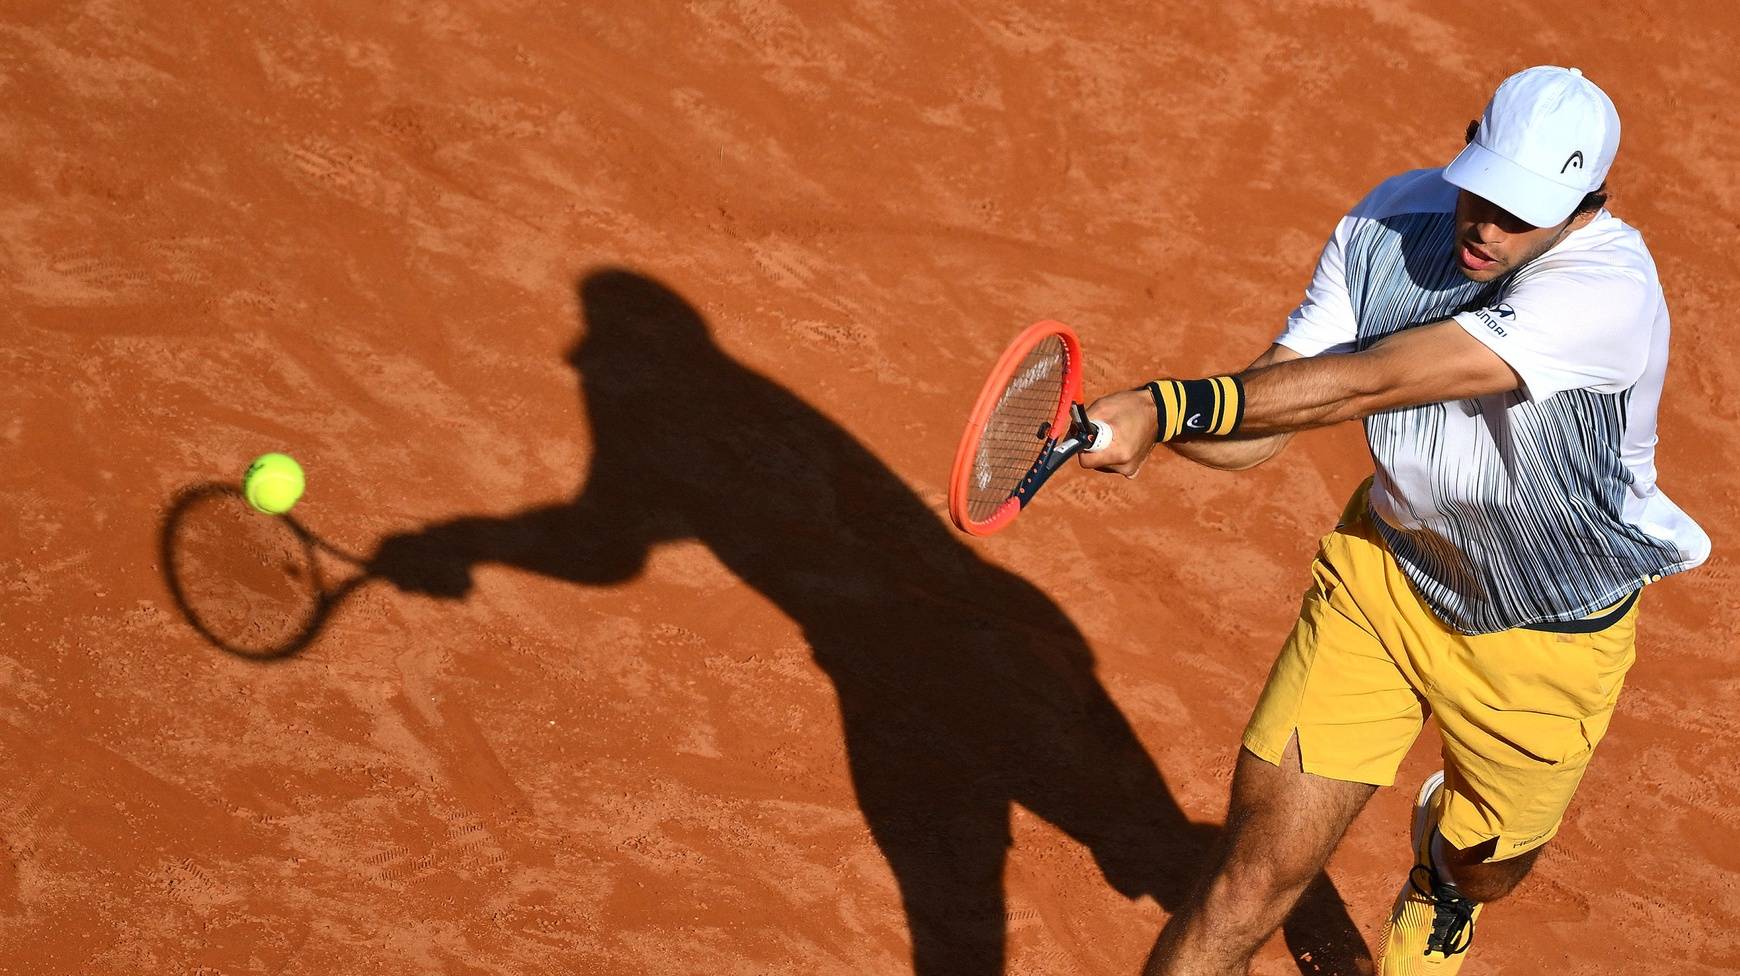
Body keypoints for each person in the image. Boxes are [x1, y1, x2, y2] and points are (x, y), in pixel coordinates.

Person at [1080, 65, 1711, 975]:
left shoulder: (1606, 292)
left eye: (1522, 212)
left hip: (1545, 642)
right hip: (1386, 578)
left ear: (1585, 208)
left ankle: (1443, 888)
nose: (1487, 227)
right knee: (1254, 873)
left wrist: (1170, 406)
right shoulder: (1386, 226)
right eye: (1481, 193)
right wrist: (1129, 428)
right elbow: (1261, 423)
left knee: (1484, 870)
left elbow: (1381, 378)